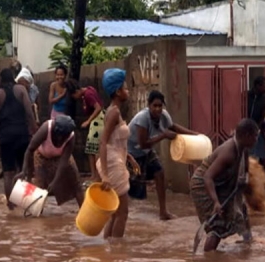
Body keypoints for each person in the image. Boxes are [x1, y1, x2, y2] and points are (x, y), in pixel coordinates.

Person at [190, 118, 259, 252]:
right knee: (217, 223)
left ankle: (247, 243)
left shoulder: (243, 148)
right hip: (203, 185)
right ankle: (209, 260)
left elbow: (245, 170)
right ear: (246, 136)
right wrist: (216, 202)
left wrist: (244, 180)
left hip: (222, 183)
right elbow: (208, 177)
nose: (256, 140)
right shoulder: (228, 153)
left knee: (242, 210)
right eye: (255, 136)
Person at [126, 90, 198, 220]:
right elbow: (143, 144)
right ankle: (116, 210)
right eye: (155, 106)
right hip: (131, 153)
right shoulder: (142, 118)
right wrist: (163, 135)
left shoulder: (164, 115)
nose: (158, 109)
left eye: (160, 106)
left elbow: (174, 127)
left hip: (147, 152)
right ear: (149, 105)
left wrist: (194, 134)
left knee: (159, 173)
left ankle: (163, 212)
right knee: (126, 185)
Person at [96, 68, 140, 239]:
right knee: (122, 212)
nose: (128, 90)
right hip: (112, 164)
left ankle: (109, 252)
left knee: (115, 213)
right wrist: (106, 175)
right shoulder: (114, 112)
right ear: (117, 91)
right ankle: (117, 253)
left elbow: (115, 140)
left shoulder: (114, 110)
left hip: (116, 161)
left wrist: (129, 157)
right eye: (126, 87)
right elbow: (103, 142)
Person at [0, 68, 37, 209]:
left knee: (8, 172)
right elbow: (29, 113)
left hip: (6, 137)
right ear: (13, 78)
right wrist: (33, 130)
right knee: (22, 170)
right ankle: (24, 203)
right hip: (21, 134)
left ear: (0, 80)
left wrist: (0, 133)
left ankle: (10, 206)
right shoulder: (21, 90)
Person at [18, 115, 84, 208]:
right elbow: (30, 149)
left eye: (66, 136)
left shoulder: (71, 137)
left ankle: (84, 212)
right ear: (57, 133)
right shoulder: (46, 129)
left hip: (60, 156)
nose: (63, 139)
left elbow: (64, 162)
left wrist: (55, 181)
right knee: (39, 188)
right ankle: (35, 213)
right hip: (42, 157)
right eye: (62, 137)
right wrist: (24, 170)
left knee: (76, 182)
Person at [66, 79, 105, 182]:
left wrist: (88, 121)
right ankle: (94, 175)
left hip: (98, 121)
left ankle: (98, 175)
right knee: (90, 149)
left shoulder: (88, 94)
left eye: (73, 96)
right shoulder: (88, 90)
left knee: (95, 149)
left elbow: (98, 108)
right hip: (97, 121)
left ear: (76, 92)